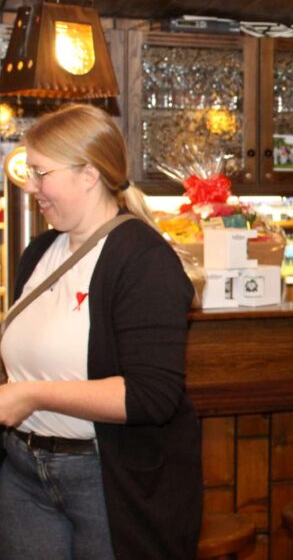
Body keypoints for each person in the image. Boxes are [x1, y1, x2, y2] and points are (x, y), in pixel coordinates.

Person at [0, 104, 200, 559]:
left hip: (108, 482)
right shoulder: (40, 251)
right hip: (24, 476)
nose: (29, 186)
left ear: (88, 174)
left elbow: (151, 395)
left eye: (40, 173)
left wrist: (32, 395)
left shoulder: (143, 259)